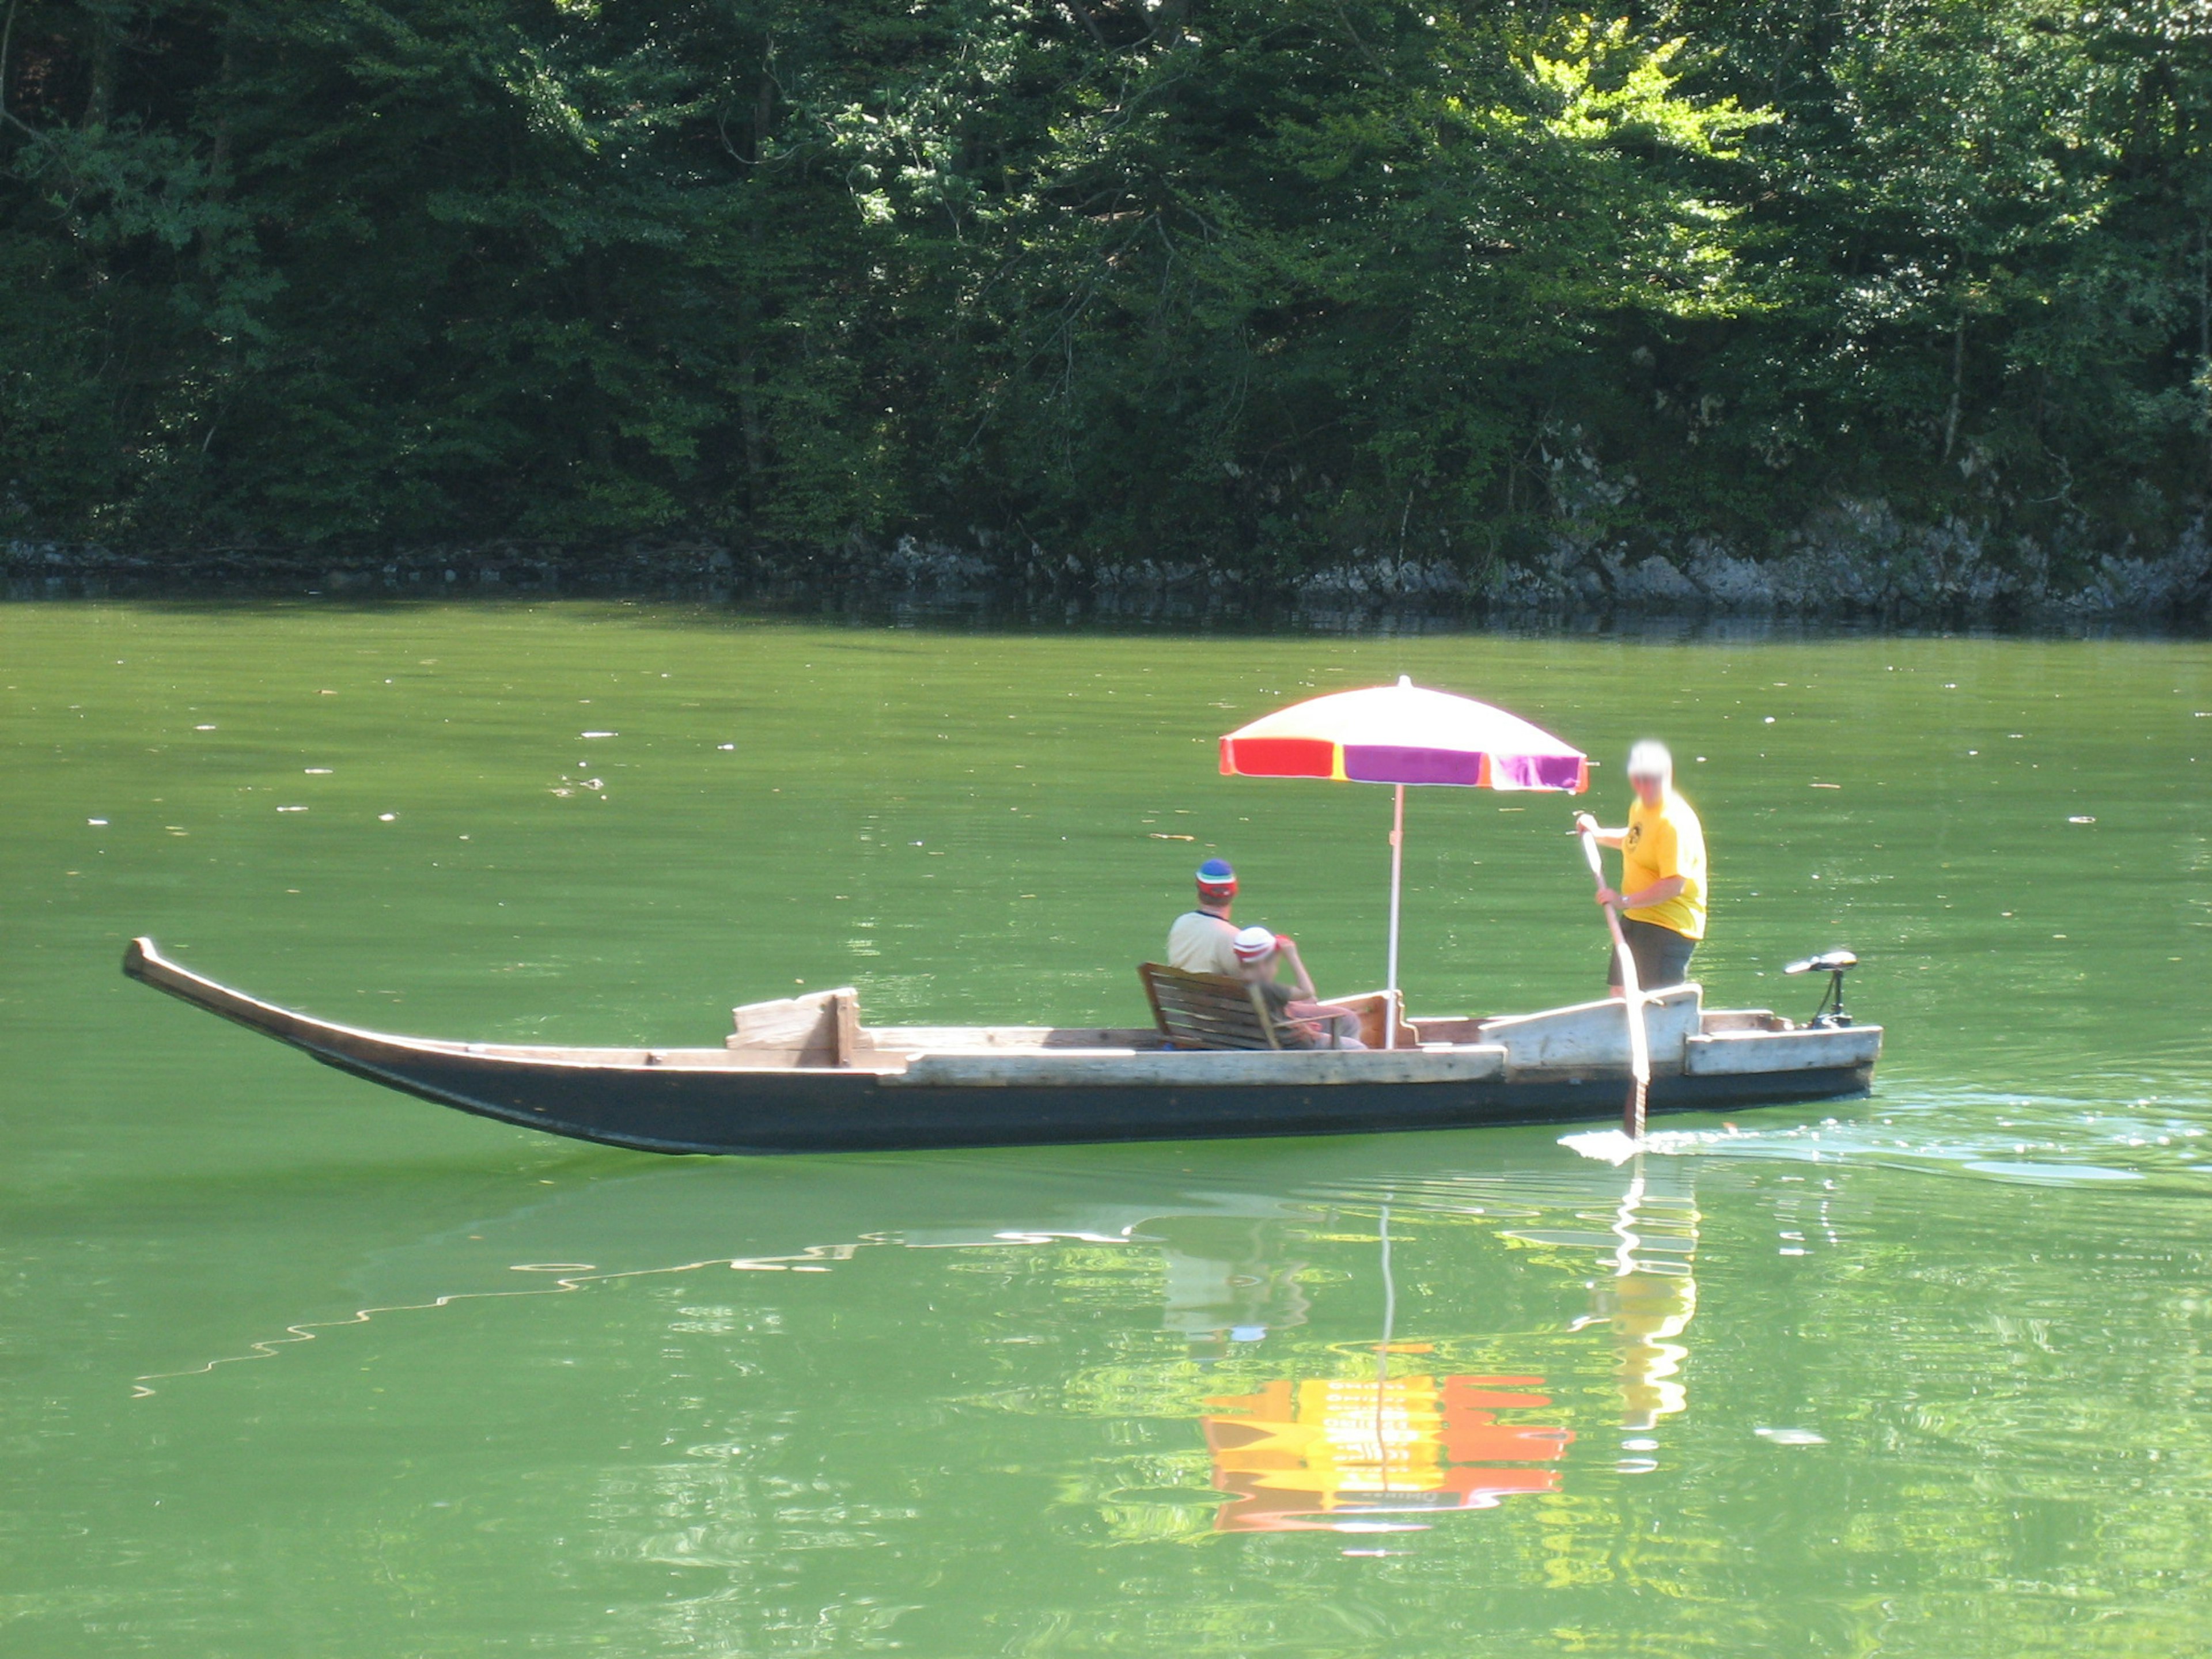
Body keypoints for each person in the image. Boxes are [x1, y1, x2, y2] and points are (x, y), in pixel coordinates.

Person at [1573, 739, 1707, 991]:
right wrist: (1598, 834)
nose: (1646, 786)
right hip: (1638, 917)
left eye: (1653, 779)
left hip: (1668, 926)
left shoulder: (1674, 822)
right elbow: (1635, 840)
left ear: (1667, 775)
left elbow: (1674, 885)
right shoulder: (1641, 806)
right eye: (1641, 779)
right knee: (1621, 993)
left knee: (1655, 1005)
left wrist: (1624, 900)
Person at [1230, 926, 1368, 1050]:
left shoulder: (1233, 984)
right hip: (1295, 1045)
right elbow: (1307, 992)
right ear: (1263, 963)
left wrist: (1300, 1024)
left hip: (1260, 1040)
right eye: (1276, 961)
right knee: (1356, 1047)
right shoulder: (1267, 989)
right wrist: (1292, 955)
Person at [1166, 858, 1243, 977]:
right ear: (1234, 892)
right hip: (1217, 996)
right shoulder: (1234, 938)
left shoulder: (1181, 923)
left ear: (1199, 891)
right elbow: (1252, 986)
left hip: (1176, 995)